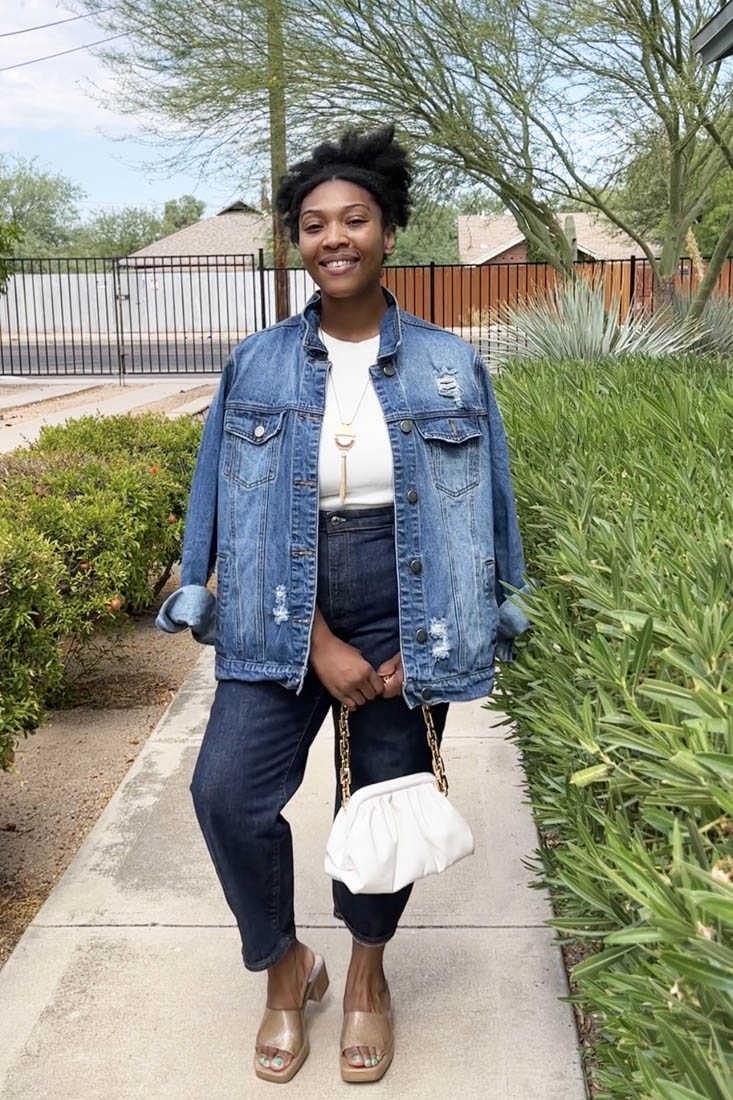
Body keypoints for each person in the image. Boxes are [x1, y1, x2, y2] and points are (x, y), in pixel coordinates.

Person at [156, 123, 531, 1084]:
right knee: (227, 795)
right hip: (287, 600)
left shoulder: (452, 365)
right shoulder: (257, 362)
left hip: (411, 605)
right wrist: (309, 635)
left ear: (389, 232)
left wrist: (447, 626)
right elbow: (218, 501)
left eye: (354, 219)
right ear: (297, 240)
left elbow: (488, 509)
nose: (335, 237)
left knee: (385, 807)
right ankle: (288, 972)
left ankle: (367, 975)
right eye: (314, 223)